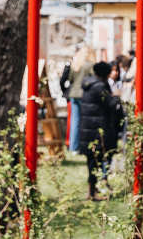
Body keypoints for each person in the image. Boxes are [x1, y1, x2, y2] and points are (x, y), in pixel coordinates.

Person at [78, 61, 122, 199]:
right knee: (95, 161)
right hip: (96, 129)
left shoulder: (89, 84)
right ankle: (93, 192)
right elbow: (110, 103)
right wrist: (117, 97)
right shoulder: (99, 86)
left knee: (92, 161)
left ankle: (92, 190)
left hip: (88, 128)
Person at [60, 46, 92, 154]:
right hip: (84, 94)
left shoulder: (75, 65)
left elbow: (69, 79)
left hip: (73, 94)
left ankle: (73, 147)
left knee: (75, 121)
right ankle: (82, 146)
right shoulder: (89, 65)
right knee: (84, 121)